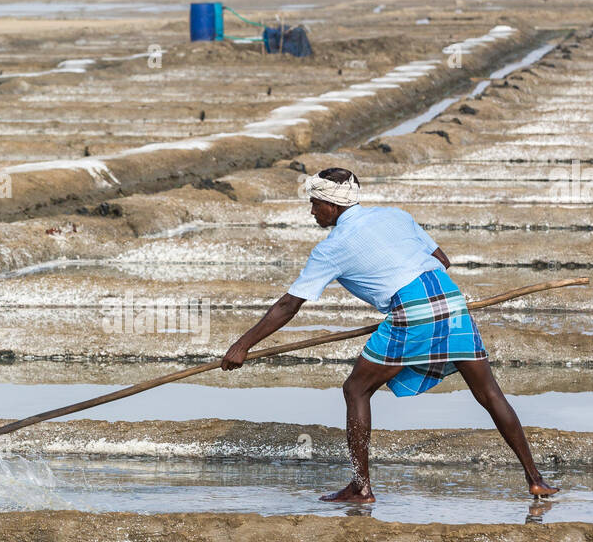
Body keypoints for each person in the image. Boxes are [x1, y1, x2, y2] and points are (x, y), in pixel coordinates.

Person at [221, 166, 558, 502]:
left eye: (315, 203)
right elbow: (442, 260)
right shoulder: (396, 216)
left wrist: (242, 345)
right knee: (489, 393)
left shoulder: (331, 248)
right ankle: (536, 480)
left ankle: (360, 487)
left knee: (356, 389)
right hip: (452, 301)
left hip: (412, 310)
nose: (312, 211)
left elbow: (288, 305)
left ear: (332, 206)